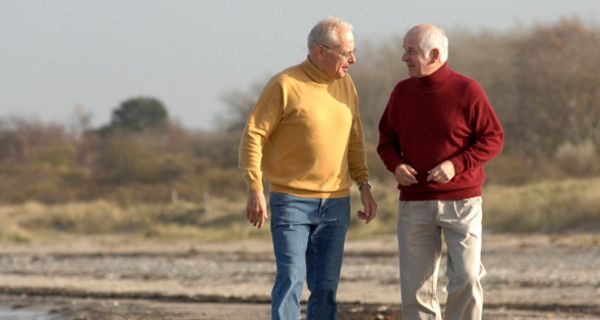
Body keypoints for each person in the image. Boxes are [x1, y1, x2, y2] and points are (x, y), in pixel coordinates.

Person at [239, 16, 377, 320]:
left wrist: (364, 185)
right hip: (291, 201)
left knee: (325, 287)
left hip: (336, 202)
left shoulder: (347, 86)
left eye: (354, 52)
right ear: (319, 51)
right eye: (346, 53)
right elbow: (253, 135)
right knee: (291, 278)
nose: (352, 60)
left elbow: (355, 139)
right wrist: (255, 187)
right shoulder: (284, 85)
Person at [377, 24, 504, 320]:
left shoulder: (467, 90)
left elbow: (493, 138)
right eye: (404, 50)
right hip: (413, 203)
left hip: (463, 203)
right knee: (415, 290)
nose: (403, 57)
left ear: (434, 54)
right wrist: (396, 165)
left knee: (467, 277)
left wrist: (455, 165)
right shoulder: (401, 92)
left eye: (410, 51)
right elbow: (386, 141)